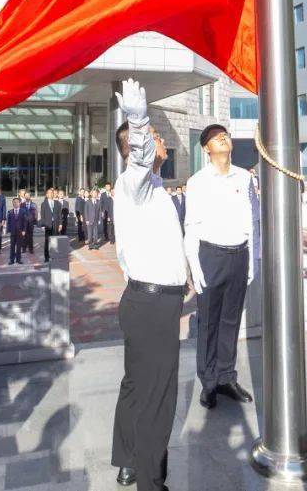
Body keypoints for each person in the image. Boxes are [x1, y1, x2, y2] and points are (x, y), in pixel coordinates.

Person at [109, 79, 188, 491]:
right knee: (158, 398)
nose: (160, 142)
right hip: (152, 305)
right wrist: (138, 120)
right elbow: (138, 158)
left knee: (136, 385)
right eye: (155, 138)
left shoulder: (156, 187)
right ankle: (151, 484)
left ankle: (127, 460)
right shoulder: (133, 182)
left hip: (148, 302)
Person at [184, 123, 256, 410]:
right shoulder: (198, 181)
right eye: (215, 137)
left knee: (231, 320)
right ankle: (209, 382)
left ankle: (227, 377)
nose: (222, 138)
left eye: (224, 135)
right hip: (211, 256)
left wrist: (253, 257)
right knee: (209, 322)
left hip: (239, 255)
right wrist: (194, 265)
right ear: (206, 149)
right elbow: (191, 226)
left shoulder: (244, 177)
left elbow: (254, 221)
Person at [6, 198, 30, 265]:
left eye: (17, 202)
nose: (15, 203)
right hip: (13, 232)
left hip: (20, 232)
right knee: (12, 246)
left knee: (19, 246)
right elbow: (8, 222)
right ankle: (11, 260)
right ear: (12, 203)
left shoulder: (23, 211)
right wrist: (8, 230)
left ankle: (18, 259)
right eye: (14, 202)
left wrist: (24, 230)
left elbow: (25, 222)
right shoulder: (10, 212)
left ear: (19, 203)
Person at [40, 188, 58, 262]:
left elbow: (59, 215)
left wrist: (59, 224)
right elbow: (42, 215)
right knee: (47, 241)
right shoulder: (44, 204)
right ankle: (46, 257)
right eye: (49, 193)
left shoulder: (56, 203)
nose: (51, 194)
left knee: (54, 241)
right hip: (48, 225)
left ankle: (54, 255)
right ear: (47, 195)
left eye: (52, 193)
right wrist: (43, 225)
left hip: (55, 224)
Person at [20, 190, 37, 254]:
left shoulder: (34, 204)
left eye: (28, 196)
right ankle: (23, 249)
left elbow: (36, 214)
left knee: (30, 236)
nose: (27, 197)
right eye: (26, 196)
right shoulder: (21, 205)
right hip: (24, 224)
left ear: (30, 197)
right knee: (24, 236)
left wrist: (35, 222)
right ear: (24, 197)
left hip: (31, 223)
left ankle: (31, 249)